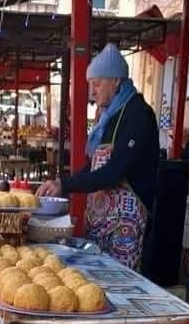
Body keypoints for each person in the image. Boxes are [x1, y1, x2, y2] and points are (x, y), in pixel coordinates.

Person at [39, 43, 159, 269]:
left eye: (97, 84)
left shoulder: (137, 113)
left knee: (120, 282)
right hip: (100, 220)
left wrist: (66, 183)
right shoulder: (108, 116)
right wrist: (61, 184)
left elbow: (114, 172)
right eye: (90, 85)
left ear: (115, 81)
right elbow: (94, 165)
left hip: (126, 222)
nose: (92, 92)